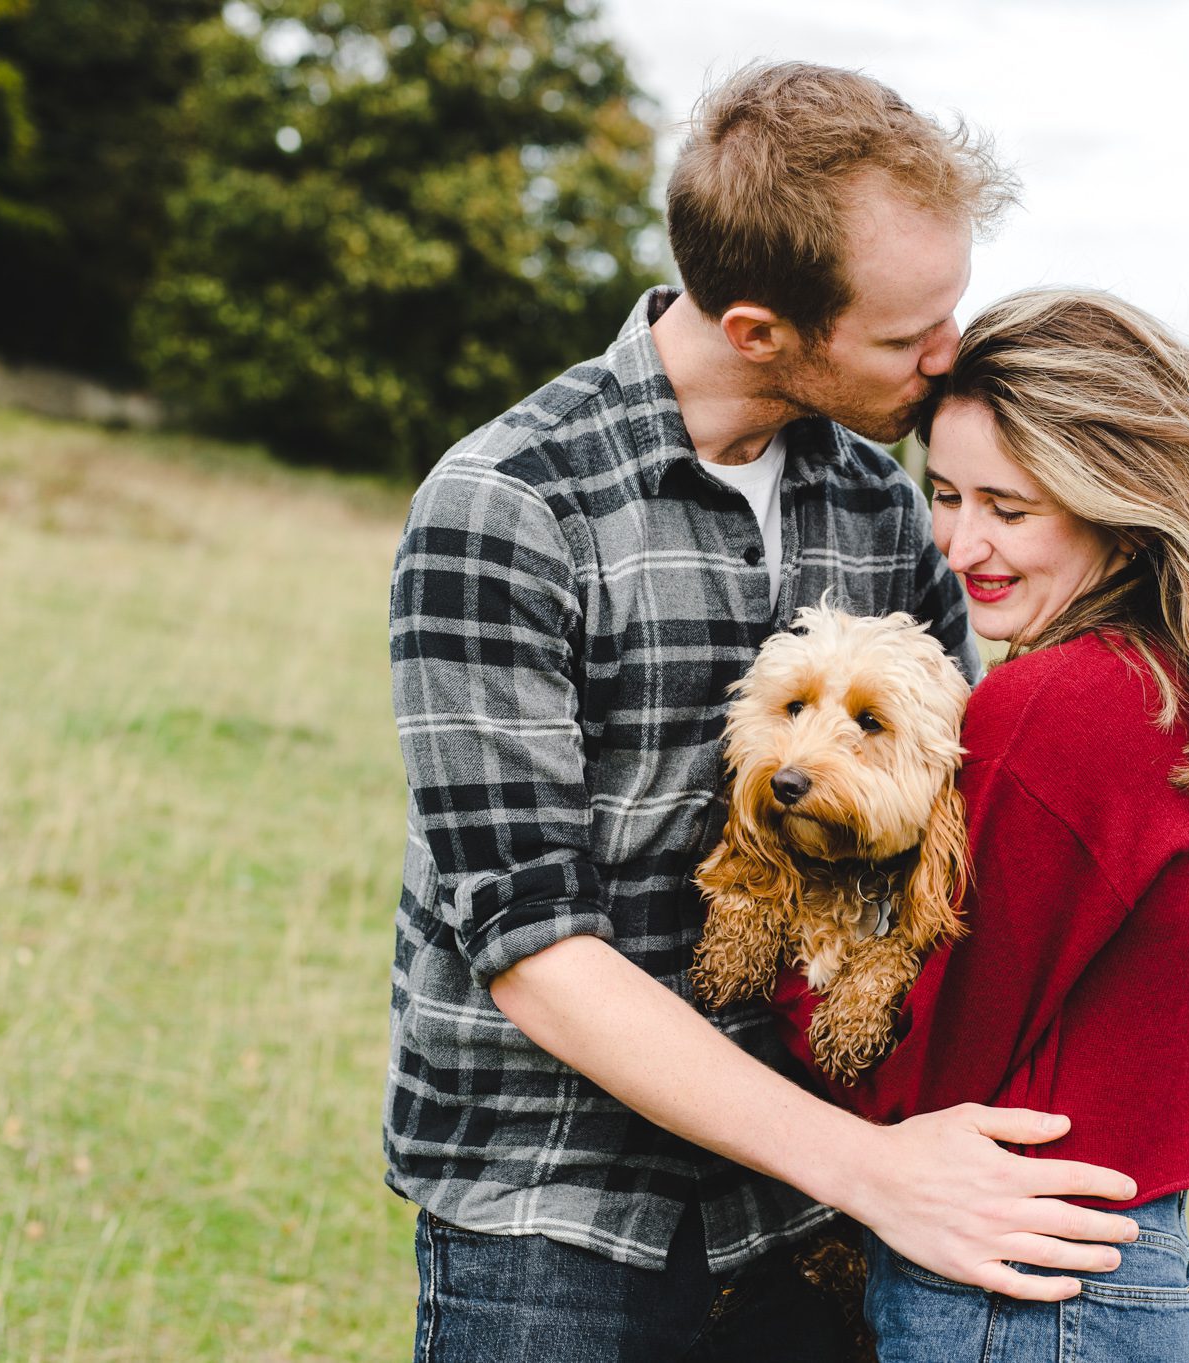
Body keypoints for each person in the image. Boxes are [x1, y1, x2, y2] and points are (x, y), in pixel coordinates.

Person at [384, 65, 1142, 1362]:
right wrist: (874, 1167)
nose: (947, 358)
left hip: (808, 1193)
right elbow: (530, 947)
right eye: (909, 338)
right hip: (556, 1197)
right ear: (759, 330)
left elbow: (954, 807)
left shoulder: (886, 502)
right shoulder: (506, 504)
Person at [773, 288, 1189, 1360]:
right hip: (1112, 1266)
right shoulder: (1180, 680)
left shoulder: (1058, 702)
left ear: (1114, 498)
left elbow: (927, 1072)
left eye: (1010, 506)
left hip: (1020, 1291)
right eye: (945, 494)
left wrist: (778, 950)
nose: (961, 543)